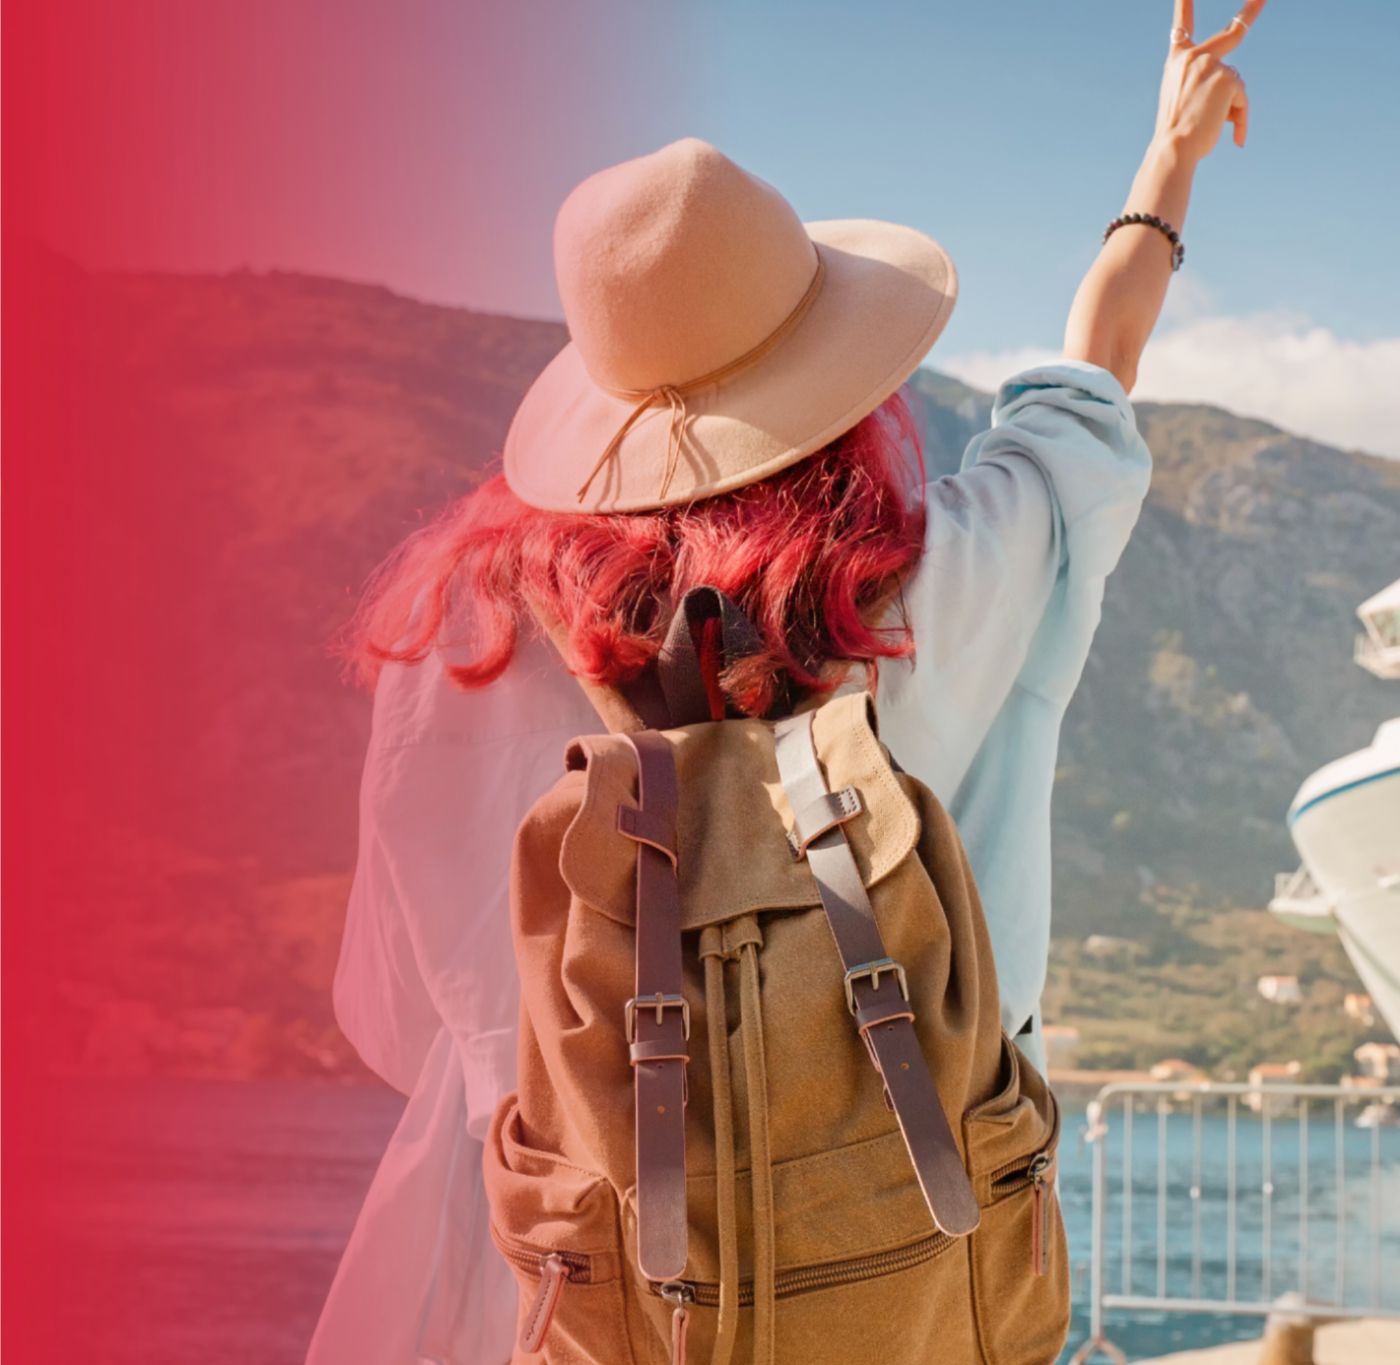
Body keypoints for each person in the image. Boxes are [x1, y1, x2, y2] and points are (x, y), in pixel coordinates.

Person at [308, 3, 1265, 1359]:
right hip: (900, 1265)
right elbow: (1087, 387)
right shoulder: (930, 593)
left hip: (554, 1295)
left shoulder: (458, 645)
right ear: (839, 377)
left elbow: (398, 1018)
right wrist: (1163, 170)